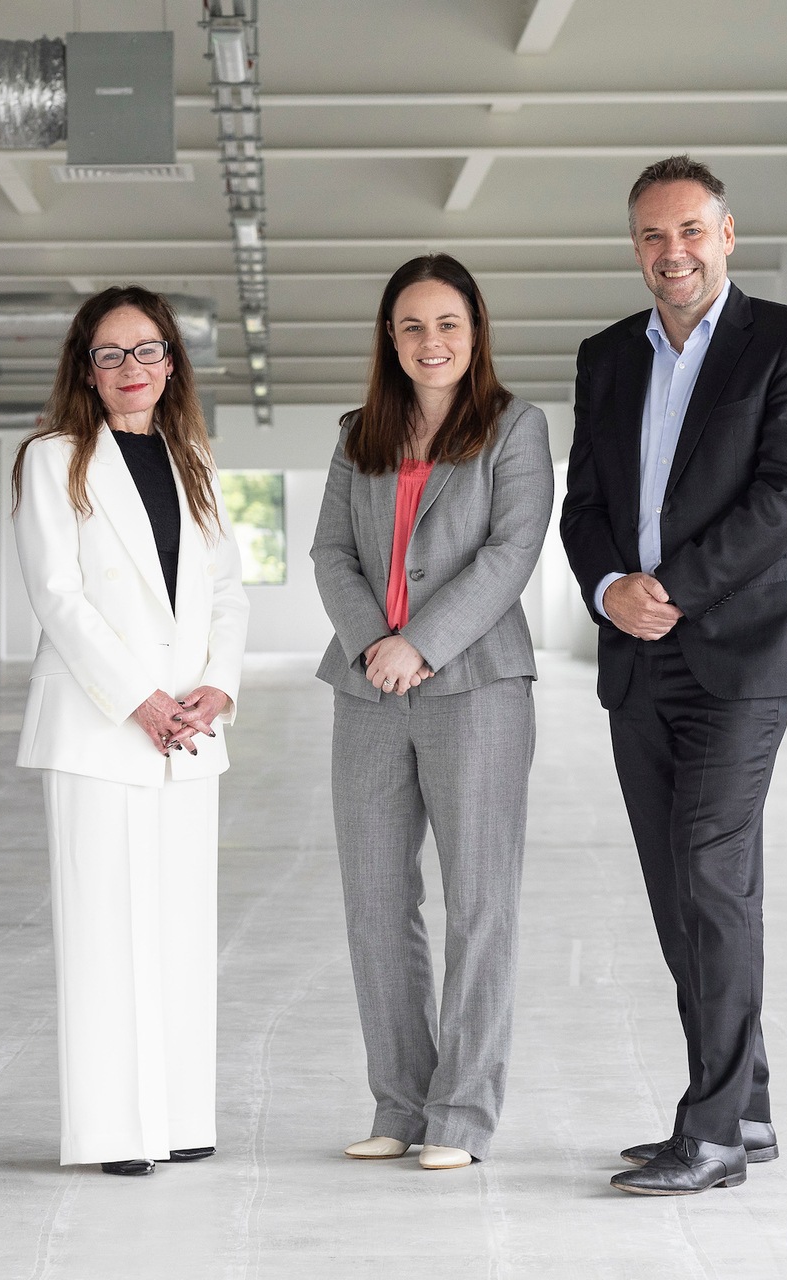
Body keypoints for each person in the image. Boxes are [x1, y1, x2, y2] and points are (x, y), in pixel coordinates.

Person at [560, 155, 787, 1196]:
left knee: (714, 875)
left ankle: (712, 1129)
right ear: (634, 246)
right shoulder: (606, 357)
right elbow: (582, 502)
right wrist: (607, 590)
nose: (670, 252)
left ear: (727, 233)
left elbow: (785, 498)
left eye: (689, 231)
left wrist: (667, 586)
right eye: (650, 235)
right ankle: (746, 1107)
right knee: (682, 890)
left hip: (742, 649)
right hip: (637, 656)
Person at [311, 254, 554, 1171]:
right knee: (375, 904)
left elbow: (512, 550)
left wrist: (424, 641)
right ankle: (399, 1103)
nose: (431, 341)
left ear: (476, 331)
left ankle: (460, 1116)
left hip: (478, 684)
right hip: (366, 687)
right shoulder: (356, 432)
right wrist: (378, 640)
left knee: (480, 905)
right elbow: (331, 551)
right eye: (412, 326)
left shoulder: (515, 428)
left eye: (447, 323)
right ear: (390, 337)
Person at [10, 286, 249, 1177]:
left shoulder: (196, 459)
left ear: (171, 362)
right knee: (105, 934)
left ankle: (180, 1118)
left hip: (190, 732)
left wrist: (216, 689)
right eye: (110, 354)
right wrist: (141, 700)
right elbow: (58, 598)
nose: (130, 369)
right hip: (101, 728)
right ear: (87, 368)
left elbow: (226, 591)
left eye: (147, 350)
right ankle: (114, 1133)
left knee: (182, 932)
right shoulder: (52, 459)